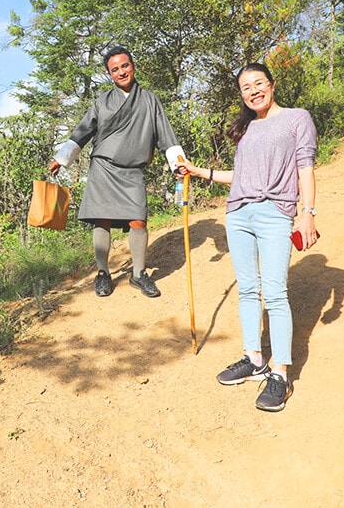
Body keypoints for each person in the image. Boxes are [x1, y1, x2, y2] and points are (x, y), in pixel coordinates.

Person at [177, 62, 318, 412]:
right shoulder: (247, 129)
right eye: (245, 87)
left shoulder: (297, 118)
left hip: (275, 214)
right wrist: (200, 171)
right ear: (241, 94)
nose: (253, 90)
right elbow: (241, 175)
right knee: (247, 289)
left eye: (258, 83)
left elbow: (305, 168)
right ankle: (254, 357)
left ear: (271, 84)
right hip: (238, 213)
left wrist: (308, 214)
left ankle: (281, 372)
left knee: (275, 292)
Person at [49, 45, 184, 298]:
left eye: (125, 65)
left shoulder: (149, 100)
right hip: (103, 167)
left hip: (133, 171)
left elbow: (165, 135)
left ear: (133, 66)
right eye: (115, 69)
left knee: (138, 220)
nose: (121, 72)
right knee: (102, 218)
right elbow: (83, 131)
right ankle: (102, 273)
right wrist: (62, 159)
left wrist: (178, 163)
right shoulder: (102, 101)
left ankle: (139, 274)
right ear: (110, 74)